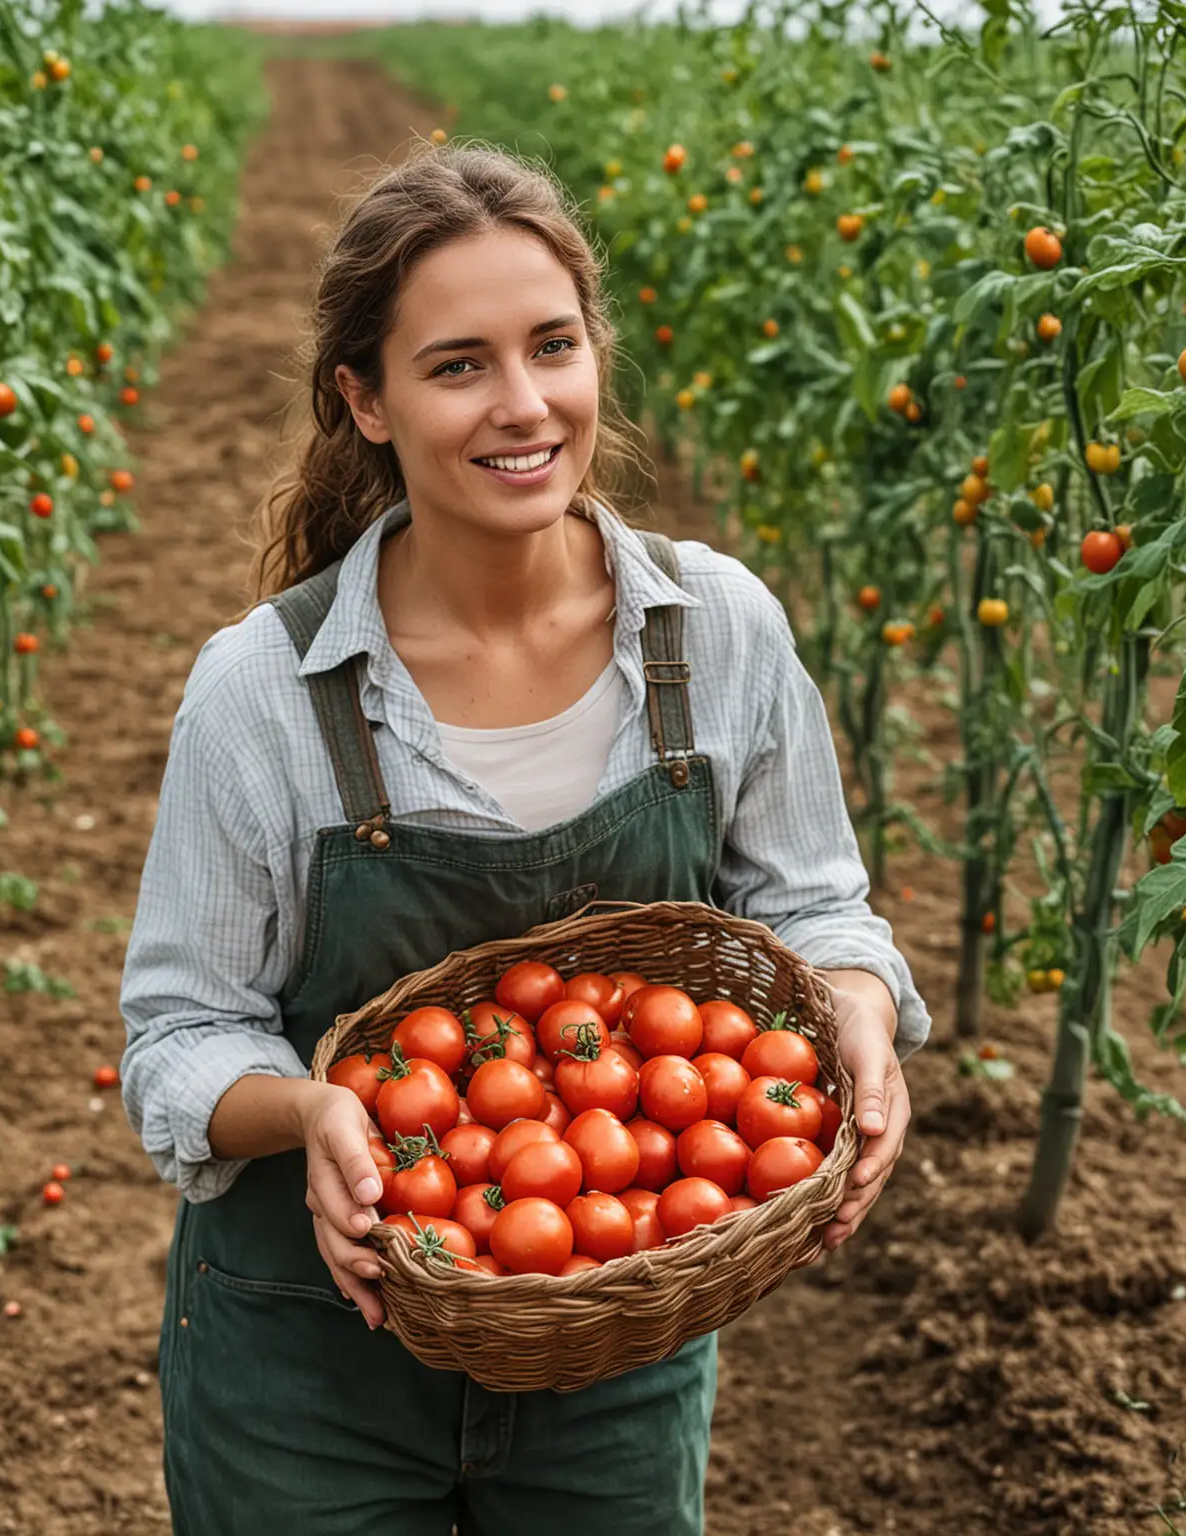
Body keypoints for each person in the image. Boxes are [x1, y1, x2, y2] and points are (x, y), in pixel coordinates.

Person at [119, 139, 931, 1536]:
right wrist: (315, 1110)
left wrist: (852, 1003)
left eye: (552, 346)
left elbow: (816, 905)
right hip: (311, 1343)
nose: (522, 404)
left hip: (617, 1337)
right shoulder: (267, 691)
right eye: (457, 365)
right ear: (362, 400)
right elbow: (180, 1032)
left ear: (596, 355)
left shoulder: (713, 634)